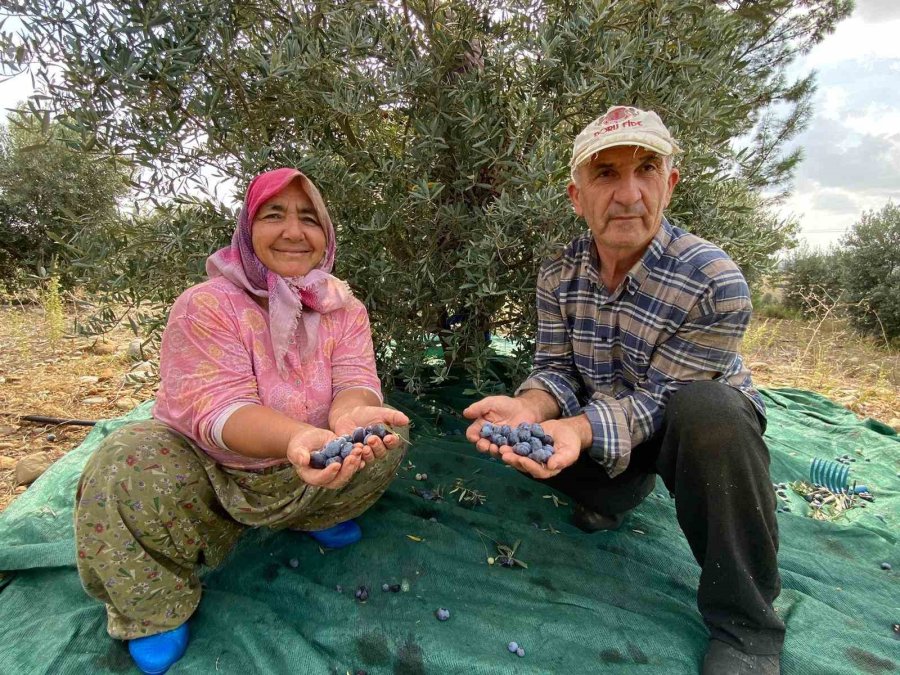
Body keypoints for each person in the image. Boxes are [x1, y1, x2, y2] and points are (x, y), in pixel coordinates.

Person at [464, 106, 783, 674]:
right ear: (577, 196)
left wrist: (579, 428)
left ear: (671, 183)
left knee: (710, 411)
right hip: (607, 423)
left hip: (690, 434)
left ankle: (748, 628)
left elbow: (666, 398)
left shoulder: (714, 282)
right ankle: (613, 497)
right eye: (606, 174)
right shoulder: (559, 273)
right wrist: (529, 406)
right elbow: (557, 368)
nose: (629, 193)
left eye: (647, 169)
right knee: (524, 438)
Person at [74, 168, 409, 674]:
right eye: (274, 215)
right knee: (126, 461)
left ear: (327, 234)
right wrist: (298, 437)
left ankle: (314, 514)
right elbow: (217, 409)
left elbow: (352, 381)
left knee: (388, 433)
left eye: (310, 219)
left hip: (310, 462)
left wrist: (352, 417)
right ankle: (154, 608)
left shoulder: (342, 305)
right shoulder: (206, 305)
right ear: (247, 229)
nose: (295, 232)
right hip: (210, 473)